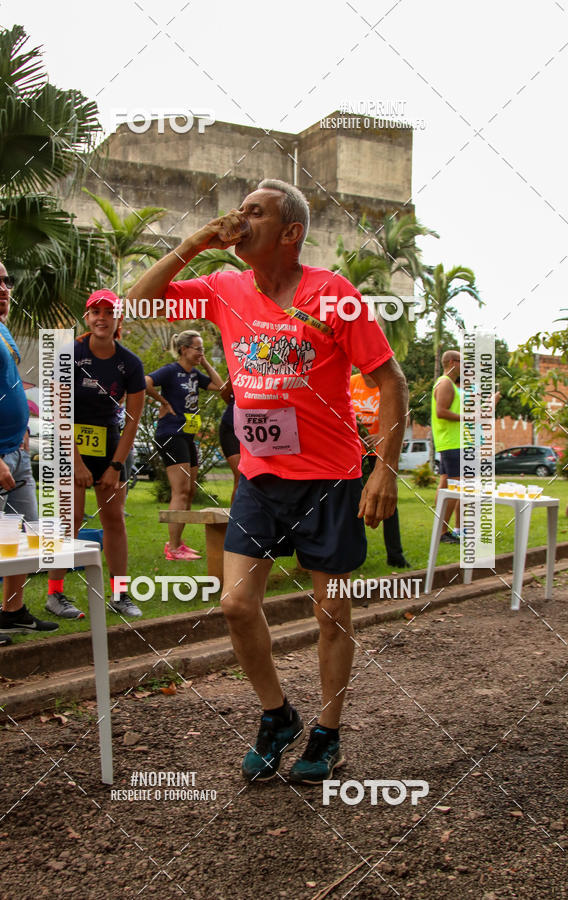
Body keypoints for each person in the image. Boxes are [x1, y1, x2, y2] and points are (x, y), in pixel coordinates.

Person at [128, 179, 408, 784]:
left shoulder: (333, 295)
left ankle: (327, 733)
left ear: (290, 233)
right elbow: (137, 302)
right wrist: (199, 240)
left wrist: (383, 468)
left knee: (332, 611)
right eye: (239, 209)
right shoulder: (224, 287)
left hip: (329, 477)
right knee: (234, 604)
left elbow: (391, 383)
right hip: (258, 475)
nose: (240, 218)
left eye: (256, 212)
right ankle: (278, 715)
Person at [0, 254, 58, 643]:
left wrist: (21, 431)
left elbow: (10, 382)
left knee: (25, 535)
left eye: (8, 282)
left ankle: (13, 611)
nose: (5, 289)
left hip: (16, 453)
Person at [45, 290, 145, 619]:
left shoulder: (130, 362)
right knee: (69, 519)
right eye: (95, 311)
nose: (102, 317)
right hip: (69, 445)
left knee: (113, 520)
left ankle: (120, 594)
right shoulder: (68, 354)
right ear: (87, 318)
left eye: (109, 312)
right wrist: (76, 463)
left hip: (110, 445)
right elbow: (60, 412)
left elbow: (132, 421)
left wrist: (116, 466)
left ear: (118, 320)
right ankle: (55, 594)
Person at [144, 330, 223, 561]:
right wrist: (163, 402)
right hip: (171, 433)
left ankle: (177, 543)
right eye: (197, 348)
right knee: (180, 491)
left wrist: (205, 361)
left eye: (203, 349)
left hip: (187, 435)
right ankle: (173, 549)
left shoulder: (195, 375)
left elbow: (220, 387)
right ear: (183, 349)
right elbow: (146, 382)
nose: (201, 352)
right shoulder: (171, 371)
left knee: (189, 491)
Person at [350, 371, 410, 568]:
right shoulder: (352, 383)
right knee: (351, 503)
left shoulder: (388, 382)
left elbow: (401, 419)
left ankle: (396, 555)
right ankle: (354, 557)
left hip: (381, 455)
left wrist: (381, 436)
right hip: (354, 455)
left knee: (388, 505)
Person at [432, 349, 462, 543]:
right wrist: (469, 417)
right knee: (455, 487)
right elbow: (441, 411)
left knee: (446, 486)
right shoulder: (445, 383)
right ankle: (443, 532)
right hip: (452, 442)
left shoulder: (449, 383)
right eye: (462, 362)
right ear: (452, 362)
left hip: (451, 442)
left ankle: (441, 530)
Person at [219, 378, 241, 505]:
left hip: (255, 427)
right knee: (241, 476)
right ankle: (235, 521)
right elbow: (224, 393)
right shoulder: (240, 364)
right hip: (230, 428)